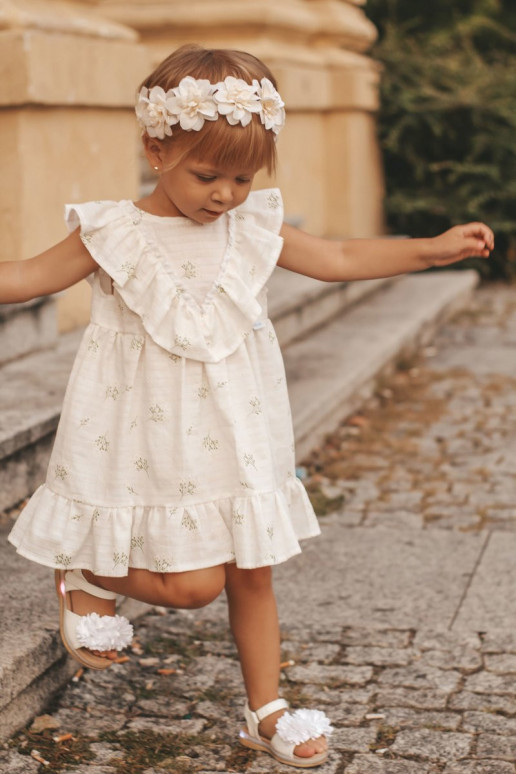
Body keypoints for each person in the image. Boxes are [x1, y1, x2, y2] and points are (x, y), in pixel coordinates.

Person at [2, 44, 493, 768]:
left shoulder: (251, 229)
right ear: (154, 148)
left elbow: (339, 260)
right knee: (195, 585)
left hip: (237, 427)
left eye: (242, 177)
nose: (226, 194)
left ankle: (265, 711)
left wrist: (431, 250)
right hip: (142, 431)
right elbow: (26, 277)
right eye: (207, 174)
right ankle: (86, 570)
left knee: (252, 567)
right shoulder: (113, 232)